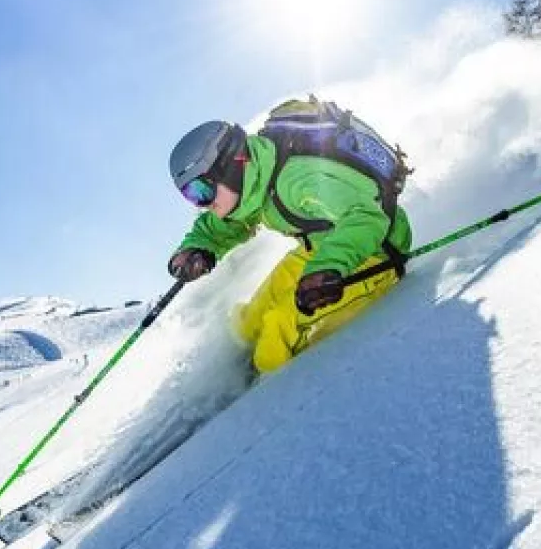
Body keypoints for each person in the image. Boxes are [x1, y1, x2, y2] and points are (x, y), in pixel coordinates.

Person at [166, 111, 412, 373]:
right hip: (323, 250)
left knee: (279, 327)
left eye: (201, 191)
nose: (202, 204)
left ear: (229, 168)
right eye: (191, 196)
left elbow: (366, 218)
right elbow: (223, 226)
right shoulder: (254, 183)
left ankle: (270, 394)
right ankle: (234, 375)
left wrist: (327, 268)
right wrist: (197, 248)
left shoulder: (298, 181)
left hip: (374, 252)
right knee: (250, 321)